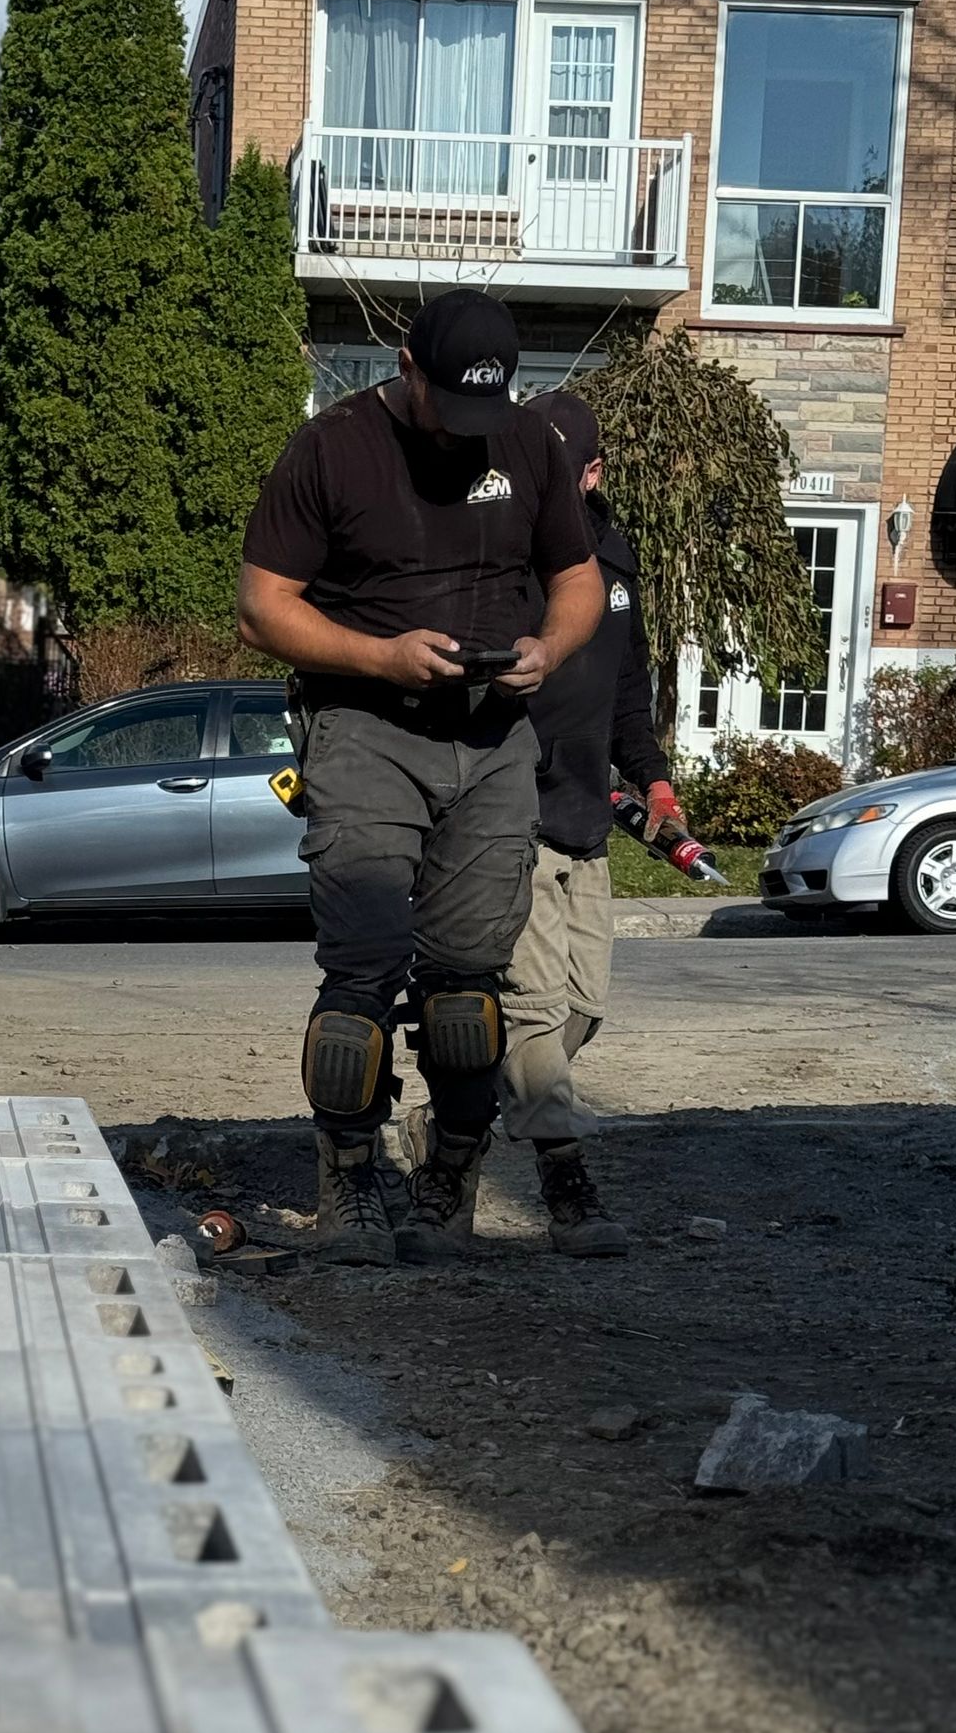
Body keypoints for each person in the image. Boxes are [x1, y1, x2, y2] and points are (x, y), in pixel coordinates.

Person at [238, 297, 604, 1266]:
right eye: (449, 405)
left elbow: (579, 581)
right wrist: (380, 656)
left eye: (486, 408)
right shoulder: (332, 449)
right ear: (406, 368)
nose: (468, 430)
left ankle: (447, 1174)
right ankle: (350, 1179)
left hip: (490, 734)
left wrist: (545, 649)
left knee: (466, 988)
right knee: (362, 968)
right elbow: (261, 607)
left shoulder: (526, 444)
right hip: (363, 722)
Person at [505, 391, 675, 1259]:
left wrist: (654, 781)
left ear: (592, 474)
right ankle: (566, 1186)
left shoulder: (615, 562)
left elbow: (628, 700)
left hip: (586, 821)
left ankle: (449, 1115)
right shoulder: (506, 561)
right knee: (533, 1011)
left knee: (584, 1009)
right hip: (510, 820)